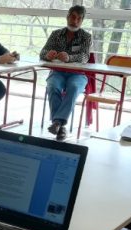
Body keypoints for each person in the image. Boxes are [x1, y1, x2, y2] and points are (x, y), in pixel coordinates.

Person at [39, 5, 91, 140]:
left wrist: (69, 57)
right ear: (67, 17)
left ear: (82, 20)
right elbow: (42, 52)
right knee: (52, 86)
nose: (75, 21)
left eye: (79, 19)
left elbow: (85, 57)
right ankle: (61, 126)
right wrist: (48, 55)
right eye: (73, 17)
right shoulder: (56, 34)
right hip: (58, 72)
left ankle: (57, 123)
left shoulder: (86, 37)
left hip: (78, 74)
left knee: (73, 88)